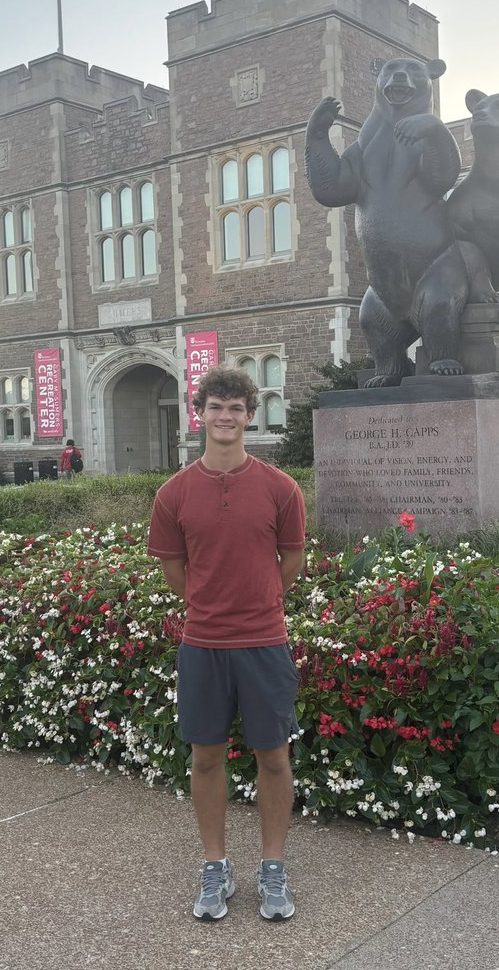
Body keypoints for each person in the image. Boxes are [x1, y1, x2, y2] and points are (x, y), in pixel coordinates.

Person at [147, 365, 306, 923]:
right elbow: (174, 567)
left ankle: (272, 867)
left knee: (274, 755)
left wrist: (258, 601)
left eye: (236, 408)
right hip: (203, 645)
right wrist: (211, 604)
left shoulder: (281, 488)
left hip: (264, 642)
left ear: (249, 417)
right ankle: (215, 866)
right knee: (206, 755)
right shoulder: (174, 494)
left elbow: (292, 560)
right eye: (216, 406)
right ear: (200, 412)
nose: (225, 417)